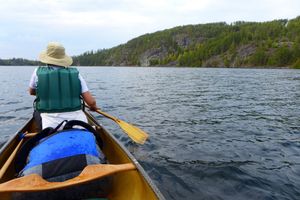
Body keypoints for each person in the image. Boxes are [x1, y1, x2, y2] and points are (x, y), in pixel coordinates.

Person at [29, 42, 98, 129]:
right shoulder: (76, 73)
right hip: (78, 122)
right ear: (63, 58)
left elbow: (31, 92)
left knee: (36, 112)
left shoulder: (37, 72)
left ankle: (40, 133)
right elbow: (91, 102)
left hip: (50, 125)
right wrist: (93, 107)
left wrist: (48, 93)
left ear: (47, 59)